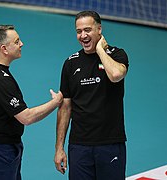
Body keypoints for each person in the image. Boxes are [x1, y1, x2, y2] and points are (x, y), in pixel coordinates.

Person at [0, 25, 63, 180]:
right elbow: (26, 117)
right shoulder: (1, 80)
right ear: (4, 49)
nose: (22, 44)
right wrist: (56, 102)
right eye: (16, 42)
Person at [54, 11, 129, 180]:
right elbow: (65, 107)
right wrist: (59, 147)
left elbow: (116, 74)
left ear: (99, 29)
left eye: (87, 30)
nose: (83, 35)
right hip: (80, 146)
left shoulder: (117, 55)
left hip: (110, 143)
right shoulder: (70, 63)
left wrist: (100, 51)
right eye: (79, 31)